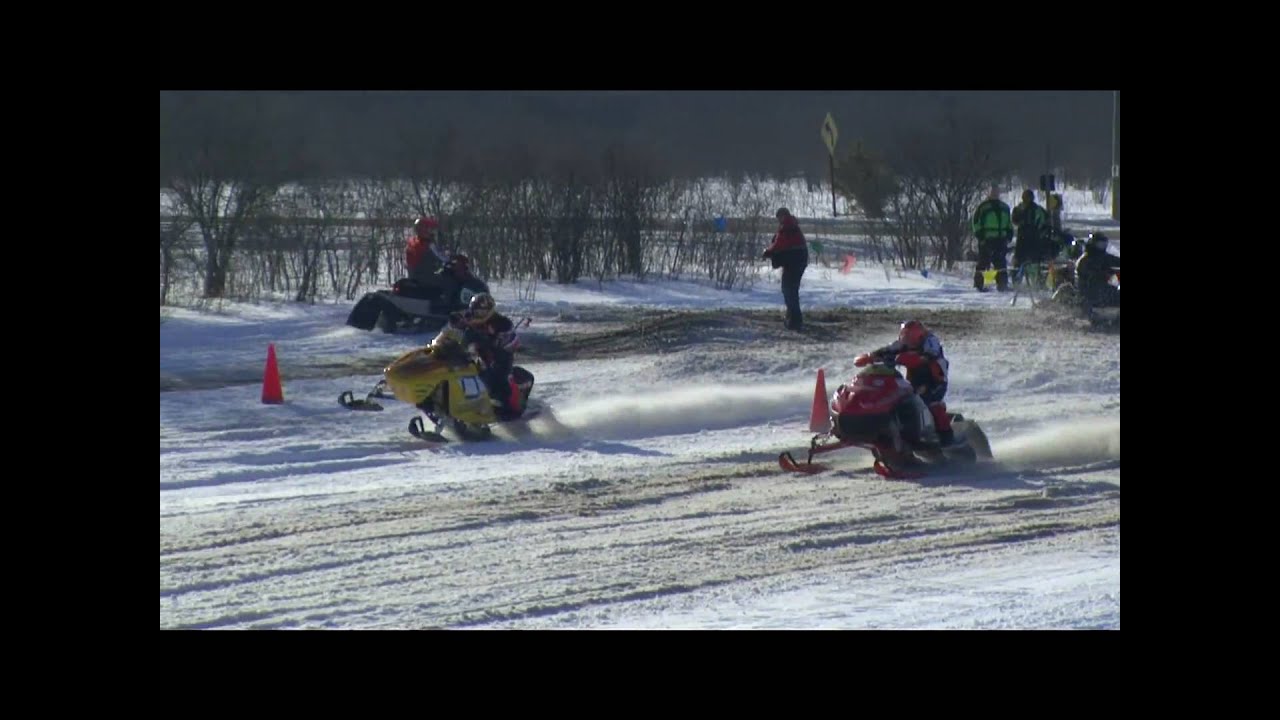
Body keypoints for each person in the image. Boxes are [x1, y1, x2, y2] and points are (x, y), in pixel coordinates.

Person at [854, 320, 954, 445]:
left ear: (919, 336)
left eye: (910, 337)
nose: (907, 341)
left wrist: (912, 358)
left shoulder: (931, 342)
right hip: (914, 380)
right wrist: (870, 356)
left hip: (934, 381)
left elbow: (928, 356)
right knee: (899, 398)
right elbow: (888, 350)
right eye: (905, 336)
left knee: (932, 404)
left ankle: (947, 438)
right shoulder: (902, 343)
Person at [457, 293, 522, 418]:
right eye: (476, 311)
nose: (478, 314)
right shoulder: (467, 318)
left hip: (498, 356)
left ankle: (507, 408)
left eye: (482, 312)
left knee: (497, 375)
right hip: (475, 355)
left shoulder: (502, 322)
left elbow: (509, 341)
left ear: (490, 310)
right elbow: (454, 329)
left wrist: (492, 340)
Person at [761, 207, 809, 330]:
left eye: (779, 218)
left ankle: (794, 320)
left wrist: (768, 252)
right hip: (798, 261)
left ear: (783, 216)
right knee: (791, 289)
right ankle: (793, 317)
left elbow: (779, 243)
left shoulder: (787, 226)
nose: (779, 220)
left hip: (794, 262)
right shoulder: (791, 224)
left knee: (789, 289)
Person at [971, 186, 1013, 292]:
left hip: (1001, 239)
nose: (995, 193)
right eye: (992, 192)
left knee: (1001, 263)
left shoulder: (1005, 207)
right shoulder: (983, 207)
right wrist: (980, 237)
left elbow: (1009, 223)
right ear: (989, 193)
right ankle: (979, 284)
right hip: (987, 239)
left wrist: (1009, 235)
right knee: (984, 262)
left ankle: (1002, 284)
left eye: (996, 192)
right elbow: (976, 223)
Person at [1012, 190, 1051, 287]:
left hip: (1033, 238)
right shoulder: (1020, 208)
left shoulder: (1037, 209)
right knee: (1019, 261)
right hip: (1024, 238)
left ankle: (1036, 282)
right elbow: (1014, 220)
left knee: (1034, 262)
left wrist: (1041, 230)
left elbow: (1046, 220)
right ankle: (1017, 281)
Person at [1074, 232, 1121, 311]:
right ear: (1093, 243)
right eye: (1100, 244)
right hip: (1089, 291)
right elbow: (1088, 273)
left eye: (1104, 244)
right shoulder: (1085, 259)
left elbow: (1115, 260)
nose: (1103, 246)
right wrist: (1106, 274)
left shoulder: (1103, 257)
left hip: (1103, 288)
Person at [405, 216, 450, 288]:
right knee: (448, 282)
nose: (433, 233)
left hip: (415, 276)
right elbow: (442, 258)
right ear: (425, 230)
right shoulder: (426, 244)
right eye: (431, 230)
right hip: (425, 277)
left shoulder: (413, 241)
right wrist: (450, 259)